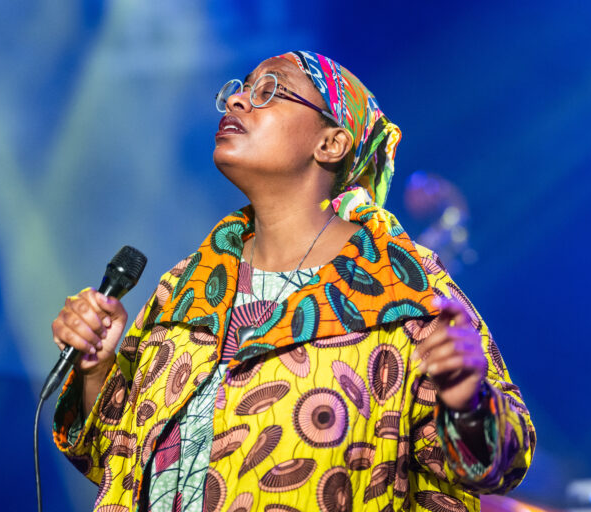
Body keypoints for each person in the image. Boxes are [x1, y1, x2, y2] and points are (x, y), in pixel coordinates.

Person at [51, 50, 535, 512]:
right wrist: (96, 368)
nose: (238, 100)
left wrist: (468, 403)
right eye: (240, 89)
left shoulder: (400, 285)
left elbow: (499, 466)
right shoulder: (189, 286)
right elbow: (114, 458)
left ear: (331, 142)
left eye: (269, 91)